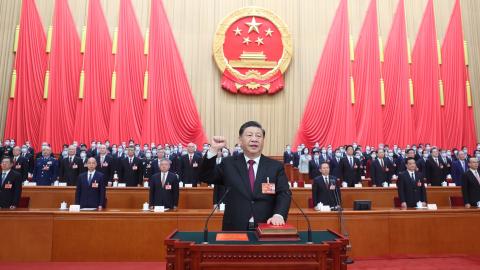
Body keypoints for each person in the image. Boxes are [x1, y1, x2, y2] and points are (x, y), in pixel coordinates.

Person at [199, 121, 291, 231]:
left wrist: (279, 215)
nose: (254, 139)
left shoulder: (275, 166)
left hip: (266, 226)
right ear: (240, 140)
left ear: (263, 141)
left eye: (258, 136)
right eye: (249, 135)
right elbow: (205, 176)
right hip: (234, 227)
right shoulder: (228, 164)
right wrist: (213, 150)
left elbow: (284, 193)